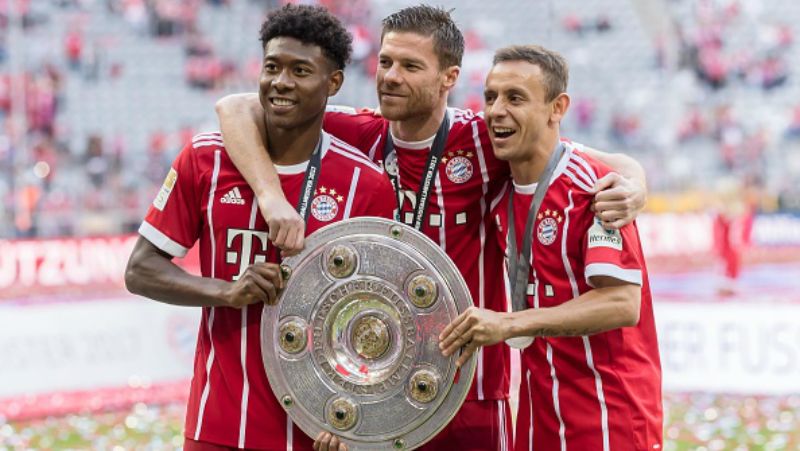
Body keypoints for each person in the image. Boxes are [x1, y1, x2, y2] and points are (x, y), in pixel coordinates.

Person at [215, 6, 648, 451]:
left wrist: (635, 185)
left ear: (449, 78)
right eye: (385, 62)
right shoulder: (357, 133)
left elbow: (595, 162)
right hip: (380, 390)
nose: (391, 77)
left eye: (410, 66)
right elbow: (236, 107)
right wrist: (270, 196)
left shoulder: (485, 138)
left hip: (472, 388)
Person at [124, 5, 394, 450]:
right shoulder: (206, 159)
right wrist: (226, 291)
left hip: (317, 431)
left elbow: (378, 316)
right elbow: (140, 270)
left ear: (333, 83)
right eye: (272, 67)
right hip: (218, 426)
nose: (281, 82)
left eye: (300, 71)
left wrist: (358, 415)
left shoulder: (366, 185)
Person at [438, 45, 662, 451]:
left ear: (557, 108)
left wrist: (509, 324)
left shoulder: (596, 190)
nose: (497, 110)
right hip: (538, 414)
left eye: (515, 98)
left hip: (606, 416)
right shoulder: (501, 185)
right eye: (491, 97)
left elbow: (621, 302)